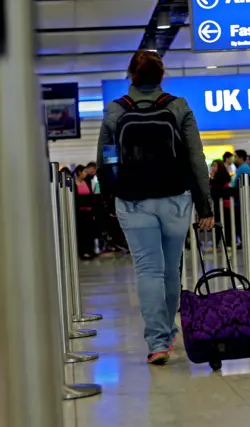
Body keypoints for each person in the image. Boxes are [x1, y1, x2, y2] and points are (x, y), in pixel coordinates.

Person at [96, 50, 214, 365]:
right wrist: (205, 205)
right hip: (175, 198)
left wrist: (110, 193)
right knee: (171, 268)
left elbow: (107, 158)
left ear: (130, 76)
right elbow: (195, 158)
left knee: (148, 269)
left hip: (133, 199)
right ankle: (168, 333)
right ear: (161, 76)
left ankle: (157, 342)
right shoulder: (177, 107)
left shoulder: (115, 111)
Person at [73, 165, 97, 260]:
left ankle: (90, 250)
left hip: (89, 212)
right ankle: (83, 252)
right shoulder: (74, 184)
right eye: (84, 172)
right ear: (79, 172)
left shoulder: (86, 182)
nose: (86, 174)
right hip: (81, 213)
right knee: (82, 233)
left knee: (89, 232)